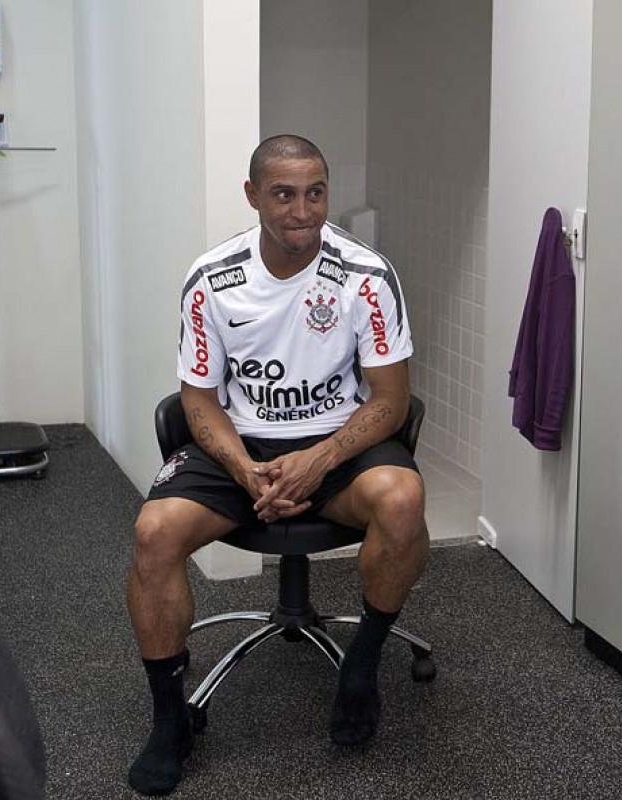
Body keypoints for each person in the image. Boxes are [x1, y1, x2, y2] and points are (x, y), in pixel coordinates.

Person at [125, 135, 427, 795]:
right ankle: (171, 718)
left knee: (402, 501)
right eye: (284, 194)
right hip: (243, 445)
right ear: (253, 196)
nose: (302, 210)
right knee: (153, 534)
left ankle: (362, 666)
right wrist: (243, 469)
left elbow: (392, 398)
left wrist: (317, 462)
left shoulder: (365, 275)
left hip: (339, 441)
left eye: (315, 192)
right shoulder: (213, 277)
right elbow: (198, 398)